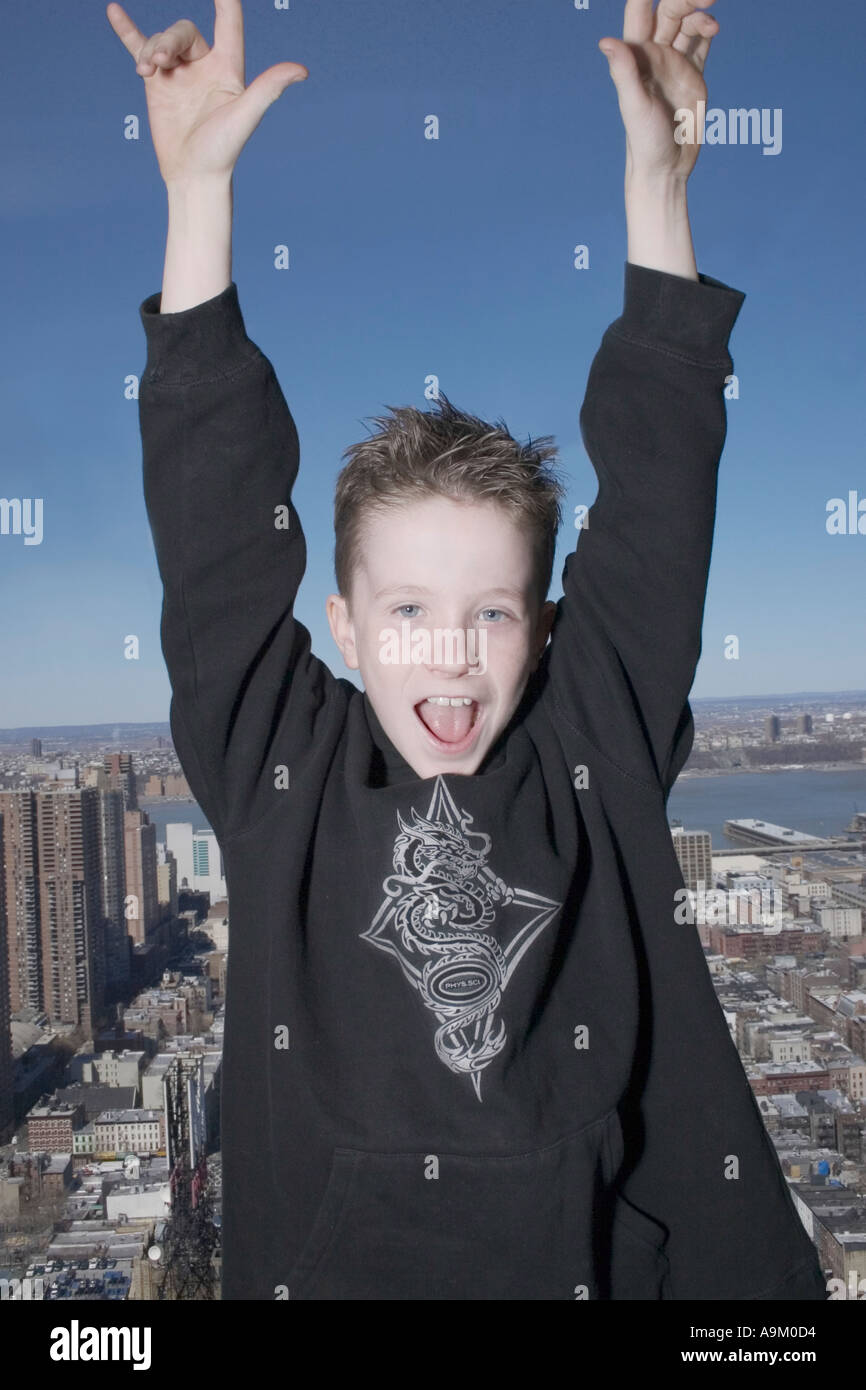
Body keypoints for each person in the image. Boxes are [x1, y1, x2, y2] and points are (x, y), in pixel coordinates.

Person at [108, 0, 827, 1299]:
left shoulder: (588, 744)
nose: (450, 651)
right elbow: (215, 535)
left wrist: (657, 189)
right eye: (406, 610)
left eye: (492, 608)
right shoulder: (283, 769)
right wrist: (197, 196)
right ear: (340, 625)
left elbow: (658, 493)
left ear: (542, 625)